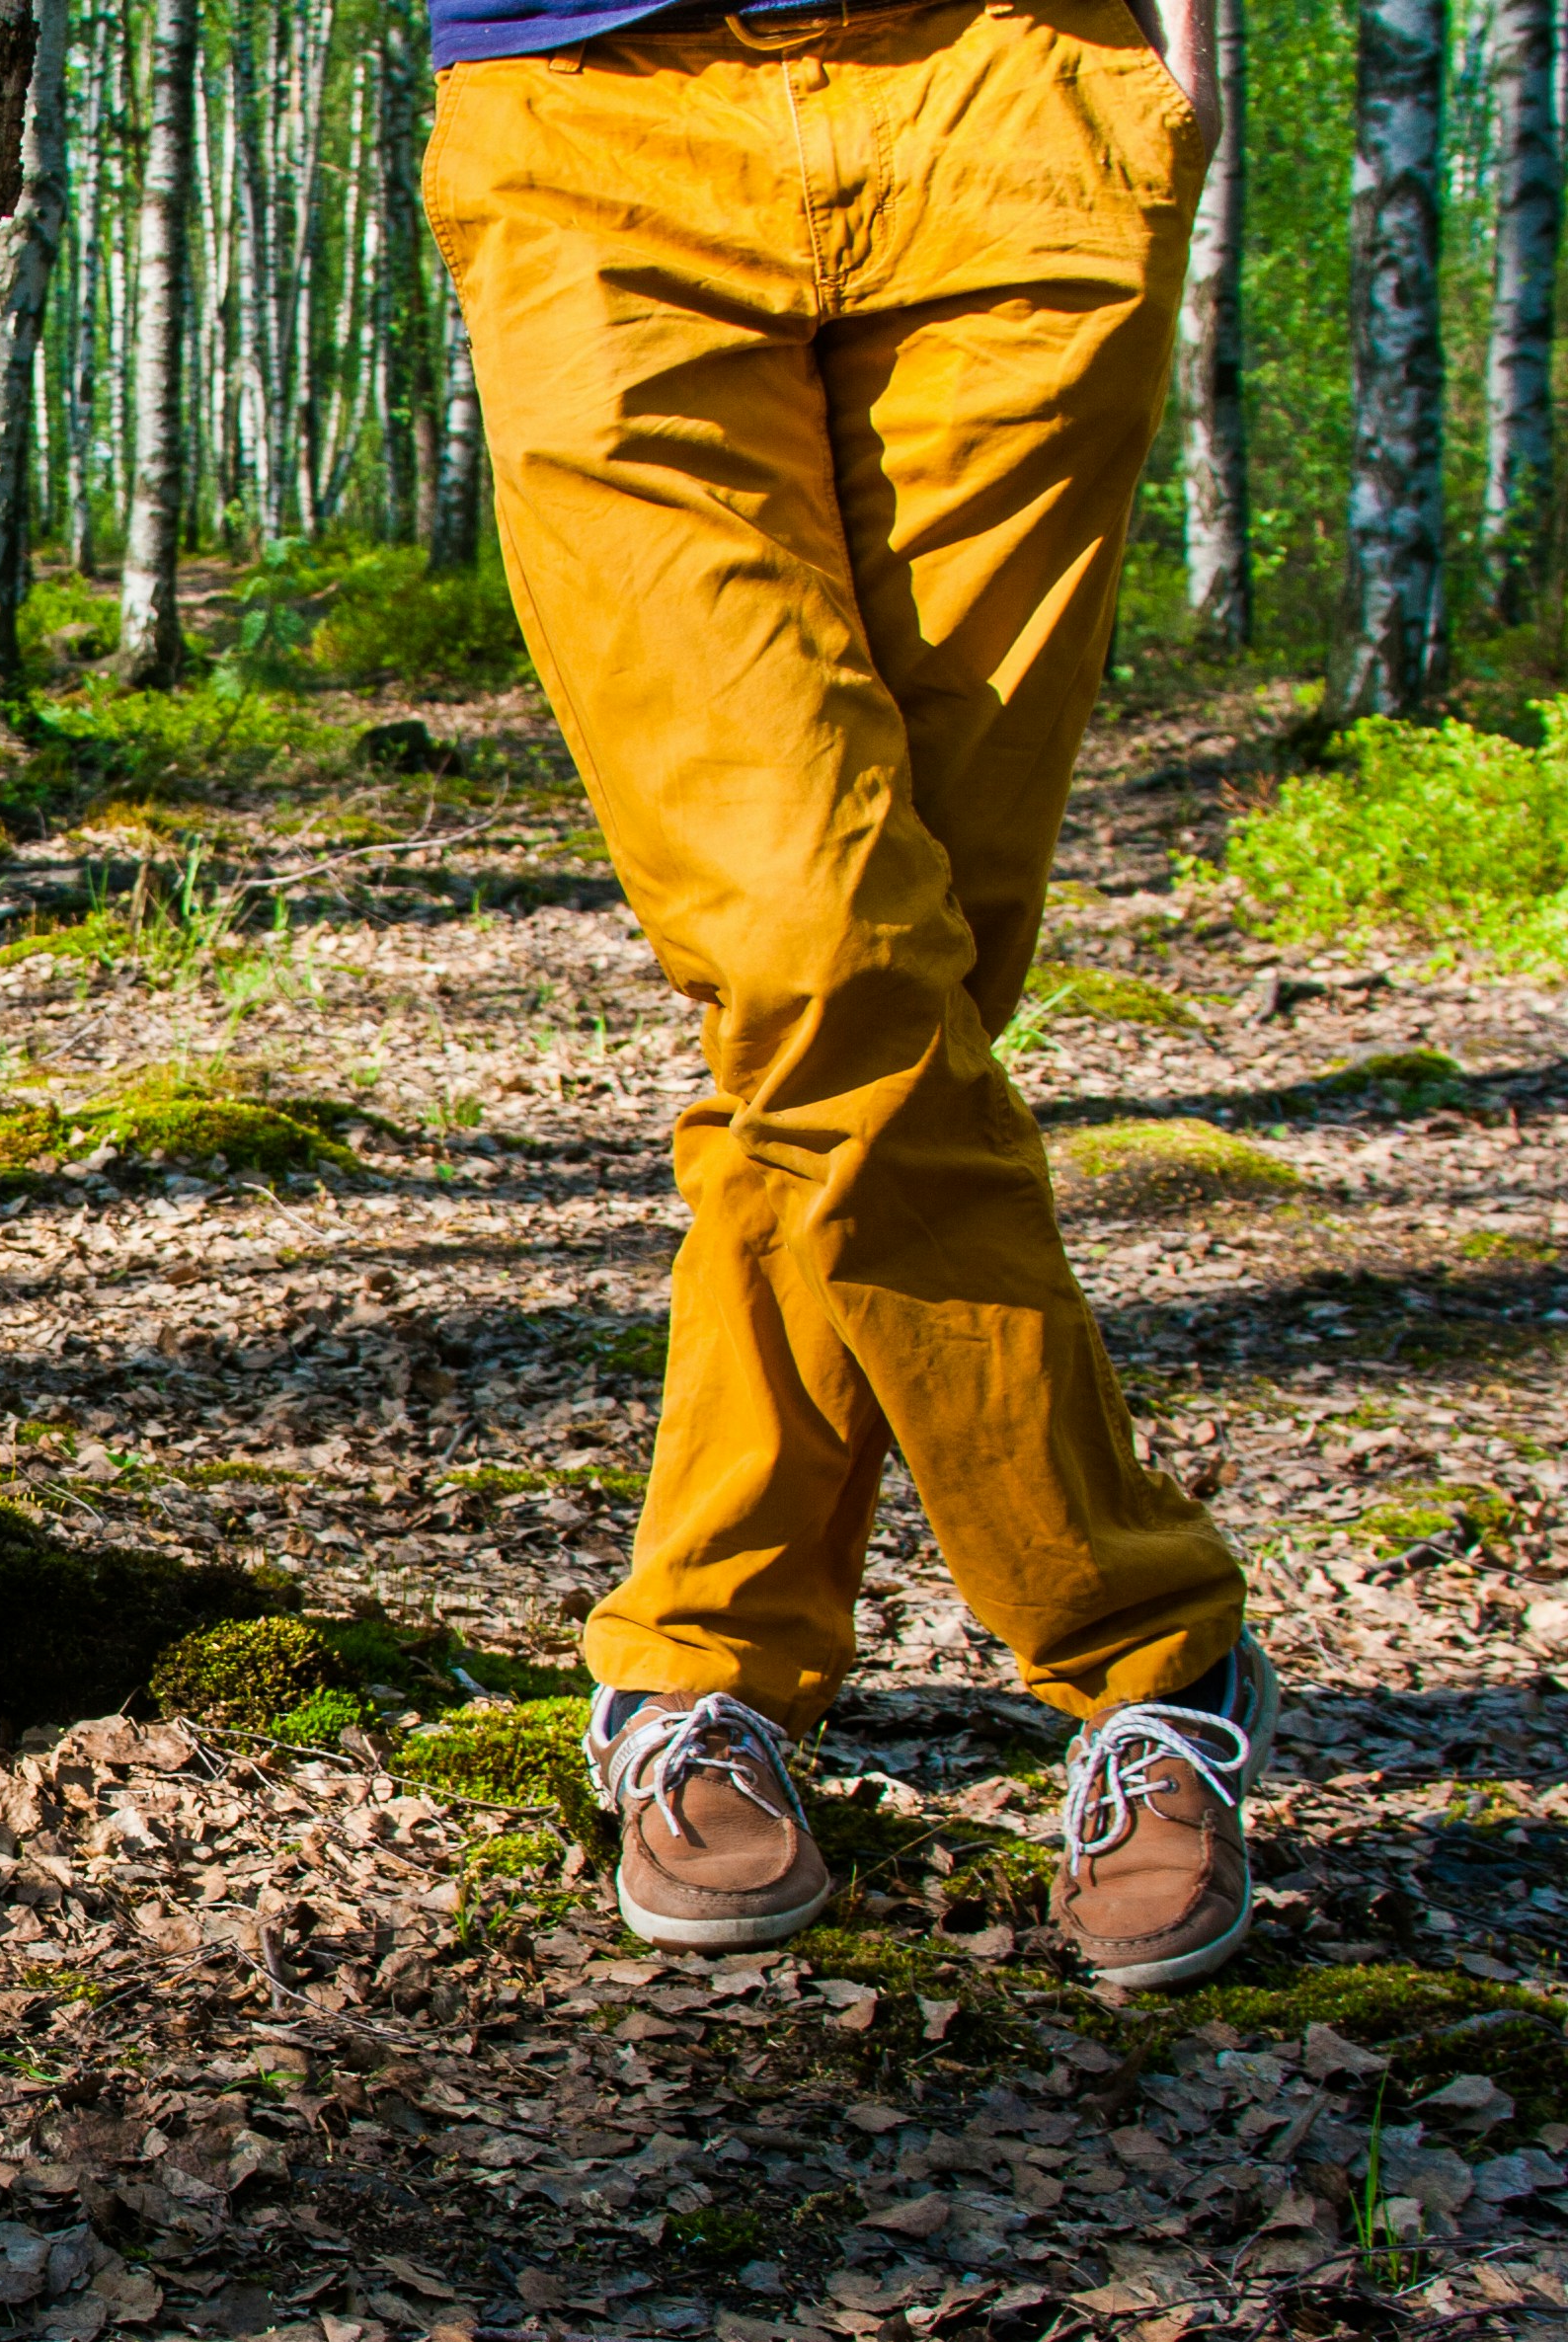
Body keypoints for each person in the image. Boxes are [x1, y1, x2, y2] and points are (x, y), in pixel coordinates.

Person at [420, 0, 1272, 1987]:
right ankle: (1144, 1640)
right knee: (816, 950)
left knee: (904, 985)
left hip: (1014, 95)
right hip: (591, 118)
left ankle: (702, 1669)